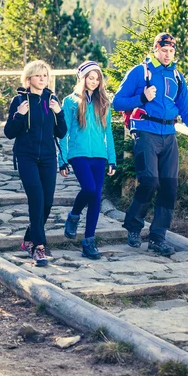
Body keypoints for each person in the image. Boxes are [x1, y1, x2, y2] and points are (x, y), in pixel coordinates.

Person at [112, 33, 188, 255]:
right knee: (149, 181)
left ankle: (157, 238)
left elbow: (186, 111)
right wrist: (142, 98)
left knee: (169, 187)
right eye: (163, 50)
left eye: (171, 51)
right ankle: (133, 227)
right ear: (155, 49)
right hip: (145, 132)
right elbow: (117, 102)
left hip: (169, 135)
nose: (167, 54)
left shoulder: (177, 77)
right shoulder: (140, 72)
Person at [4, 60, 67, 267]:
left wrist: (58, 112)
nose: (42, 79)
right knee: (37, 198)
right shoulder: (19, 101)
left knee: (47, 202)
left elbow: (61, 132)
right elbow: (9, 133)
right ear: (29, 78)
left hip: (48, 158)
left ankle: (29, 237)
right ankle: (39, 247)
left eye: (45, 76)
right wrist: (19, 115)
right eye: (38, 75)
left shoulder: (52, 100)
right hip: (26, 157)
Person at [58, 61, 116, 260]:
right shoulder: (70, 101)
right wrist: (62, 159)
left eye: (97, 78)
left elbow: (108, 131)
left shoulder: (103, 102)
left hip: (99, 155)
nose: (94, 81)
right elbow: (62, 132)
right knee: (90, 189)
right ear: (82, 78)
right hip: (78, 153)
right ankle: (74, 215)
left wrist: (112, 159)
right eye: (90, 77)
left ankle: (89, 241)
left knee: (96, 198)